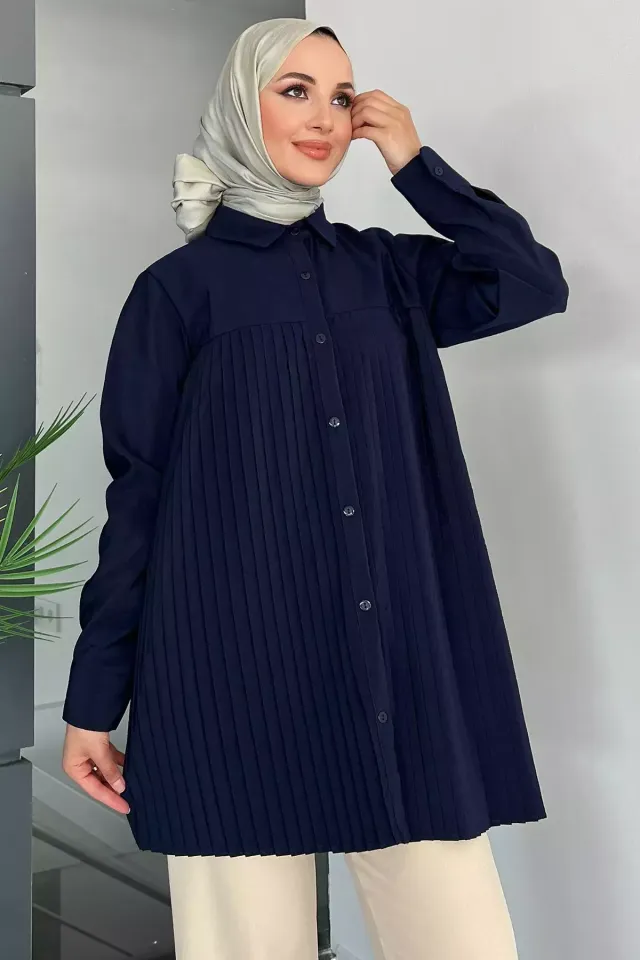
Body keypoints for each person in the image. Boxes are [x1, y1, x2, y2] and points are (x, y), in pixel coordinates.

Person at [61, 16, 569, 960]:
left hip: (400, 674)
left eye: (341, 96)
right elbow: (138, 502)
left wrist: (415, 163)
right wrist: (95, 700)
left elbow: (530, 282)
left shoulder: (389, 273)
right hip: (229, 679)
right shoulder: (177, 292)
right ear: (239, 106)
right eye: (295, 90)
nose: (327, 117)